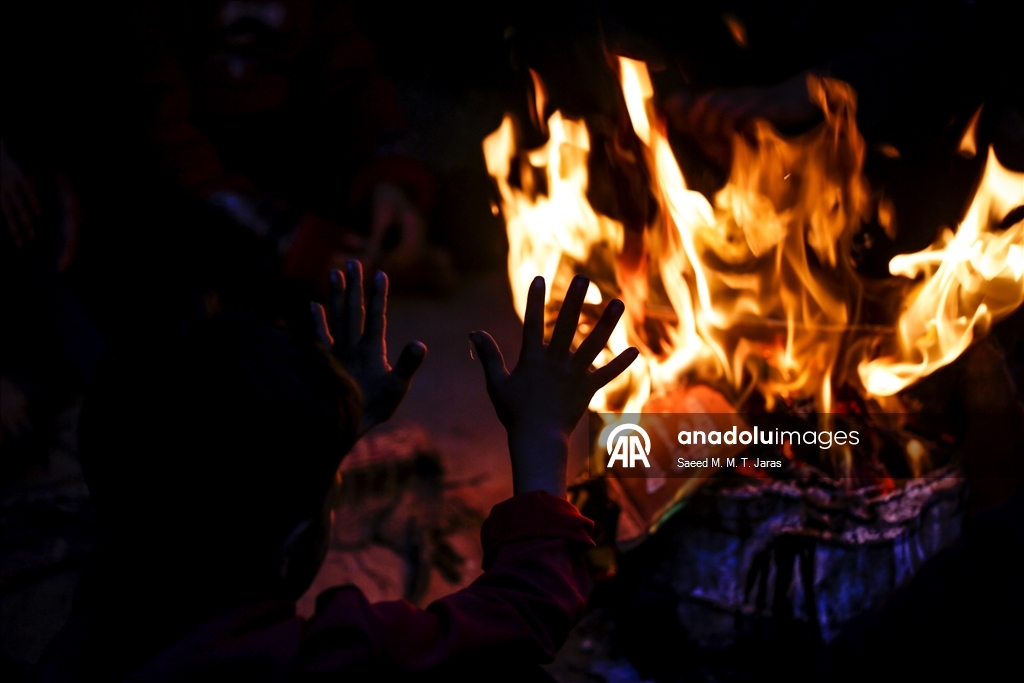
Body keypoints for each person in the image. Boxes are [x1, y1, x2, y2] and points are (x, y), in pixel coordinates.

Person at [37, 262, 639, 681]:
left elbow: (202, 480)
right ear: (295, 551)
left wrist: (328, 421)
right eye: (333, 489)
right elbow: (523, 614)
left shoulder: (97, 615)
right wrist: (543, 437)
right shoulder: (329, 659)